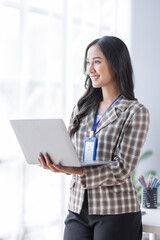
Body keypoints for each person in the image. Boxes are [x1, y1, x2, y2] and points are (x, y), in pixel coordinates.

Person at [38, 36, 150, 240]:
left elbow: (122, 168)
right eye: (87, 63)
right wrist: (58, 161)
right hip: (78, 207)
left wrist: (76, 169)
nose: (90, 69)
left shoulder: (135, 111)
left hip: (116, 211)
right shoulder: (82, 108)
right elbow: (73, 156)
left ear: (116, 64)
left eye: (97, 61)